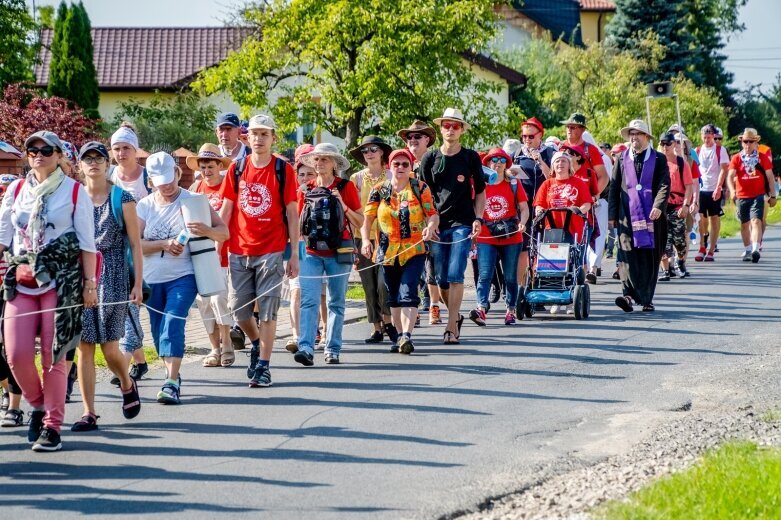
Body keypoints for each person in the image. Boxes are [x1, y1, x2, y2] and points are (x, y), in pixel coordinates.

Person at [0, 131, 97, 452]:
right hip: (22, 282)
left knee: (55, 356)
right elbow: (3, 238)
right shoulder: (15, 190)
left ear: (59, 155)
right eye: (32, 149)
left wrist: (89, 284)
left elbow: (87, 244)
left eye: (46, 149)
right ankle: (38, 405)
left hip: (62, 285)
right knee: (15, 355)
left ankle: (52, 426)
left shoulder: (74, 192)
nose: (38, 154)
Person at [139, 152, 228, 403]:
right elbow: (135, 244)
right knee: (157, 333)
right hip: (152, 278)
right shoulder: (144, 206)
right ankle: (172, 376)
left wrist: (207, 230)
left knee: (173, 322)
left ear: (178, 173)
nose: (166, 185)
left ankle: (170, 382)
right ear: (151, 181)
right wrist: (164, 244)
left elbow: (224, 232)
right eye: (159, 181)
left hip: (184, 274)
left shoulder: (193, 201)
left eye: (169, 179)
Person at [218, 114, 299, 387]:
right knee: (238, 309)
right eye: (255, 134)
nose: (259, 139)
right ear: (247, 137)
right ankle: (255, 343)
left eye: (265, 134)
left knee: (268, 310)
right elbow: (226, 209)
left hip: (272, 249)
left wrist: (294, 253)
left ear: (273, 137)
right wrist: (218, 244)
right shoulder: (236, 169)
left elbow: (291, 212)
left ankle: (264, 365)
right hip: (239, 248)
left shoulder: (282, 169)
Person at [73, 141, 143, 432]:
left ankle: (127, 382)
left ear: (107, 163)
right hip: (82, 275)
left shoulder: (122, 198)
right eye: (87, 158)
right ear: (80, 165)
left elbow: (136, 245)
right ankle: (89, 412)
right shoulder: (74, 198)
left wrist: (137, 284)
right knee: (84, 346)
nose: (93, 163)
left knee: (110, 347)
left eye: (99, 158)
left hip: (113, 275)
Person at [418, 108, 486, 345]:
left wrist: (478, 219)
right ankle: (455, 316)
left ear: (461, 130)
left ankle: (450, 327)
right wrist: (428, 221)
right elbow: (423, 194)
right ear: (440, 128)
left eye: (455, 126)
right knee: (439, 278)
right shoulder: (429, 158)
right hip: (436, 221)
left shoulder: (470, 157)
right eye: (447, 125)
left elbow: (480, 191)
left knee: (456, 273)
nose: (450, 129)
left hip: (463, 223)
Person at [361, 149, 438, 354]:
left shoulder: (420, 188)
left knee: (407, 292)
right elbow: (367, 220)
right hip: (386, 251)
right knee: (393, 296)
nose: (401, 168)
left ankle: (407, 335)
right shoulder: (379, 190)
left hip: (414, 249)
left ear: (411, 167)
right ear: (389, 166)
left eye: (405, 164)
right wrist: (366, 241)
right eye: (397, 164)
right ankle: (397, 335)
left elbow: (432, 214)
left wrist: (430, 227)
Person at [295, 143, 363, 365]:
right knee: (308, 300)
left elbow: (360, 221)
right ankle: (305, 347)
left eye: (325, 159)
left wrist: (342, 204)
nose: (320, 162)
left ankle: (332, 348)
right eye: (316, 159)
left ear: (334, 163)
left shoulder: (345, 186)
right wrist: (291, 253)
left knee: (336, 301)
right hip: (311, 251)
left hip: (339, 248)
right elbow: (296, 223)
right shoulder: (306, 189)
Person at [186, 144, 242, 367]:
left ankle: (227, 341)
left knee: (220, 299)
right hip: (199, 254)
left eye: (210, 166)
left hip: (224, 253)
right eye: (203, 166)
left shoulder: (227, 188)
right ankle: (214, 347)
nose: (207, 170)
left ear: (220, 166)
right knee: (204, 302)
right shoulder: (195, 188)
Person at [609, 120, 670, 313]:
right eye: (631, 134)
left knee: (649, 257)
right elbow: (613, 188)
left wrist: (659, 206)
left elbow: (664, 185)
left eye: (638, 134)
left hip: (653, 217)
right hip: (626, 216)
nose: (634, 138)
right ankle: (627, 295)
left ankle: (646, 298)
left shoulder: (659, 159)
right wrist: (612, 215)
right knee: (627, 255)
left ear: (646, 137)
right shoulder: (621, 158)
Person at [109, 123, 151, 384]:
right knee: (126, 310)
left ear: (136, 150)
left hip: (143, 251)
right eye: (117, 148)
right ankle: (139, 361)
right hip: (113, 253)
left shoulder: (147, 177)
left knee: (131, 309)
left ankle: (125, 364)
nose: (122, 153)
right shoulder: (108, 175)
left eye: (126, 148)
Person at [471, 148, 529, 326]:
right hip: (486, 236)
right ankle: (481, 308)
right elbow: (473, 206)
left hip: (511, 235)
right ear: (487, 164)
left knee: (510, 276)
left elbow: (524, 207)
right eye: (493, 160)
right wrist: (475, 225)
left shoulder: (513, 183)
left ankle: (510, 309)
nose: (497, 163)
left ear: (507, 165)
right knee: (485, 274)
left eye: (502, 160)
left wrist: (523, 222)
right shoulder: (481, 184)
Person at [349, 136, 396, 344]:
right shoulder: (356, 178)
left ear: (382, 152)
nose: (369, 153)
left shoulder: (393, 175)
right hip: (363, 236)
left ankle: (389, 323)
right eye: (365, 150)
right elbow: (351, 210)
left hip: (388, 237)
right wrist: (352, 241)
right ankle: (376, 328)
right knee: (368, 285)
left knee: (383, 284)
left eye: (373, 149)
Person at [533, 151, 592, 314]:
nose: (560, 164)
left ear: (569, 165)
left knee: (572, 263)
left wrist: (580, 210)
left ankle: (571, 301)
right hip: (551, 229)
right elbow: (539, 204)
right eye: (557, 162)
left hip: (572, 229)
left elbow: (587, 203)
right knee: (552, 263)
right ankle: (555, 298)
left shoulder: (578, 183)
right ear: (552, 166)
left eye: (564, 162)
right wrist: (539, 211)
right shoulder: (547, 184)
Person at [285, 144, 328, 354]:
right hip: (296, 247)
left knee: (319, 294)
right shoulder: (292, 194)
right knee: (296, 291)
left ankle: (324, 330)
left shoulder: (322, 193)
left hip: (318, 247)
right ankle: (297, 334)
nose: (305, 178)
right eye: (301, 174)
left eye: (309, 173)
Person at [397, 120, 441, 321]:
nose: (413, 140)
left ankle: (433, 305)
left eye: (417, 136)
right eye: (410, 137)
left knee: (432, 268)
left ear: (427, 140)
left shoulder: (436, 161)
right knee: (409, 267)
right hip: (406, 224)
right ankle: (411, 307)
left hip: (432, 220)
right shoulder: (400, 163)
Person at [508, 117, 553, 303]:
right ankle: (523, 289)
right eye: (524, 136)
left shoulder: (550, 152)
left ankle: (542, 287)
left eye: (531, 136)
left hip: (545, 207)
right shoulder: (517, 153)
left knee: (543, 247)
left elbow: (554, 177)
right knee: (524, 248)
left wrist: (540, 161)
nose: (527, 140)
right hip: (523, 208)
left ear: (540, 135)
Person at [727, 128, 777, 263]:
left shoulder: (763, 158)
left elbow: (770, 177)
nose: (747, 145)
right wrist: (732, 191)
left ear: (756, 143)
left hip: (758, 195)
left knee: (756, 221)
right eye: (745, 142)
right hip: (742, 196)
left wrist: (773, 195)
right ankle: (748, 249)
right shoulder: (736, 158)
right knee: (744, 224)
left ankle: (755, 249)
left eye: (751, 142)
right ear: (742, 143)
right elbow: (730, 176)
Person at [657, 132, 693, 282]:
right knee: (663, 239)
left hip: (677, 205)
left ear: (674, 145)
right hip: (662, 205)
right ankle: (665, 270)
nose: (665, 147)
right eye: (662, 144)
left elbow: (689, 186)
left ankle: (680, 261)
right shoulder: (657, 163)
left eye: (668, 144)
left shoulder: (681, 163)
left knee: (679, 239)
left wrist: (686, 205)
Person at [694, 124, 729, 262]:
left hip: (714, 188)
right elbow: (694, 170)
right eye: (704, 137)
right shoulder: (697, 150)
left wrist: (719, 188)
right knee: (701, 219)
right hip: (701, 189)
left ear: (714, 136)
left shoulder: (720, 150)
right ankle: (702, 245)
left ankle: (711, 250)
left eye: (709, 137)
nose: (707, 140)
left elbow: (723, 170)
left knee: (714, 218)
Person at [583, 130, 612, 284]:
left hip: (600, 202)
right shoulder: (576, 158)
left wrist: (595, 196)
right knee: (582, 235)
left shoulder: (603, 158)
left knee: (598, 234)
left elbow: (607, 179)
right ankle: (585, 267)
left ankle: (593, 268)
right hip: (581, 203)